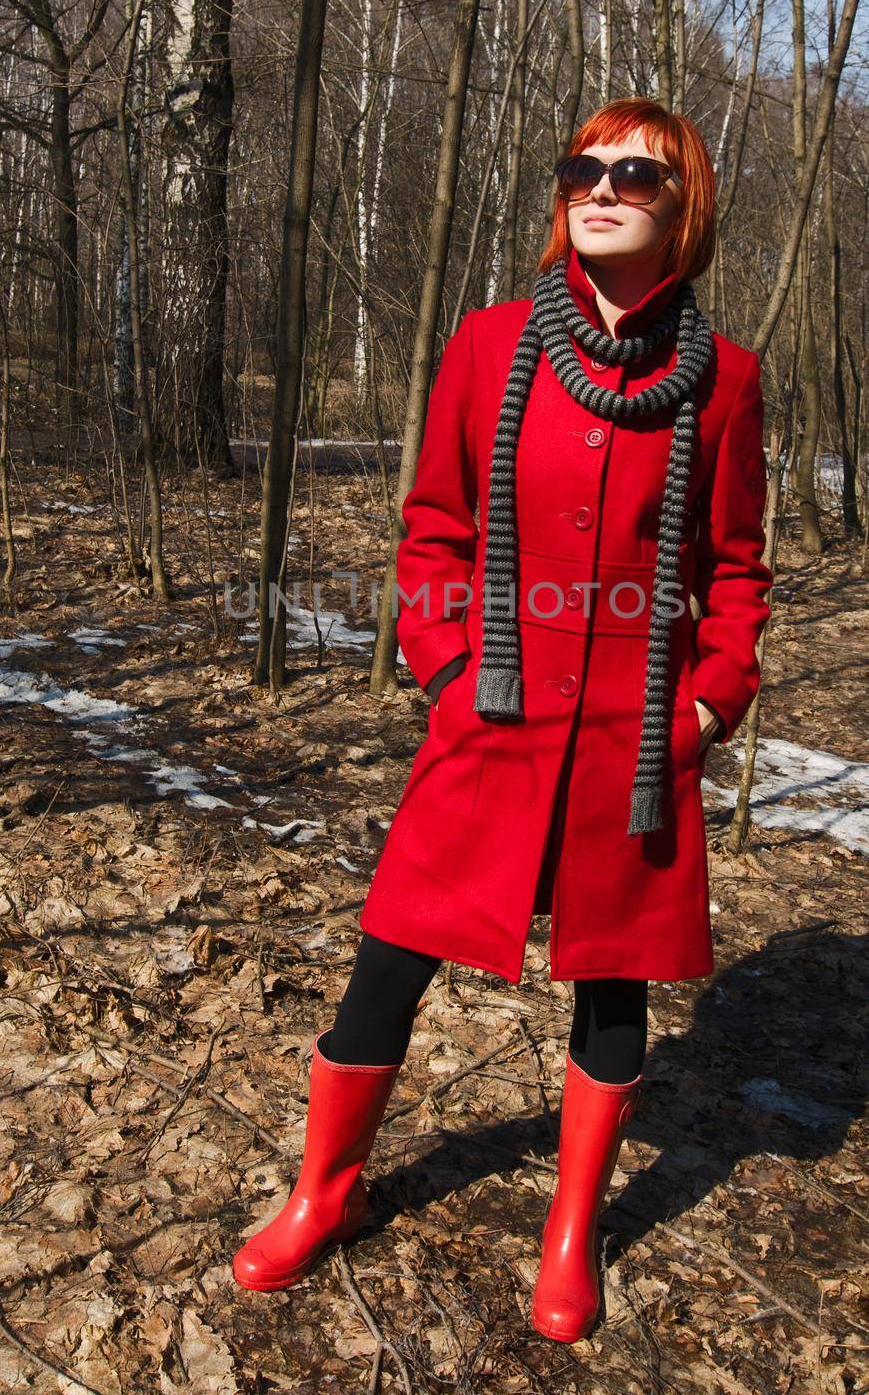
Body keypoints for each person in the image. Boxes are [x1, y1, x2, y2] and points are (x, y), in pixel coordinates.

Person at [232, 96, 774, 1343]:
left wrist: (707, 702)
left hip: (634, 741)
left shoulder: (727, 383)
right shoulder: (486, 346)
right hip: (490, 716)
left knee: (612, 986)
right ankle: (324, 1193)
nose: (601, 186)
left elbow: (736, 568)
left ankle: (573, 1235)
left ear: (681, 203)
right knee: (389, 959)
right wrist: (440, 665)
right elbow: (432, 528)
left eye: (634, 173)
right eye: (582, 167)